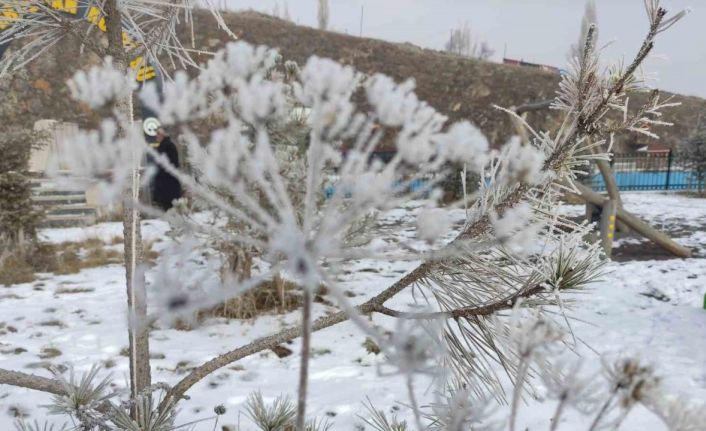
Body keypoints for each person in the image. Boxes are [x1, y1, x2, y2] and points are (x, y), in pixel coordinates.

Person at [149, 128, 182, 211]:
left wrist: (161, 173)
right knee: (166, 207)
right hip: (164, 183)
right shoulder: (162, 146)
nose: (156, 136)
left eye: (158, 134)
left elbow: (173, 164)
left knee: (170, 207)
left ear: (163, 135)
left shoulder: (169, 146)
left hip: (168, 183)